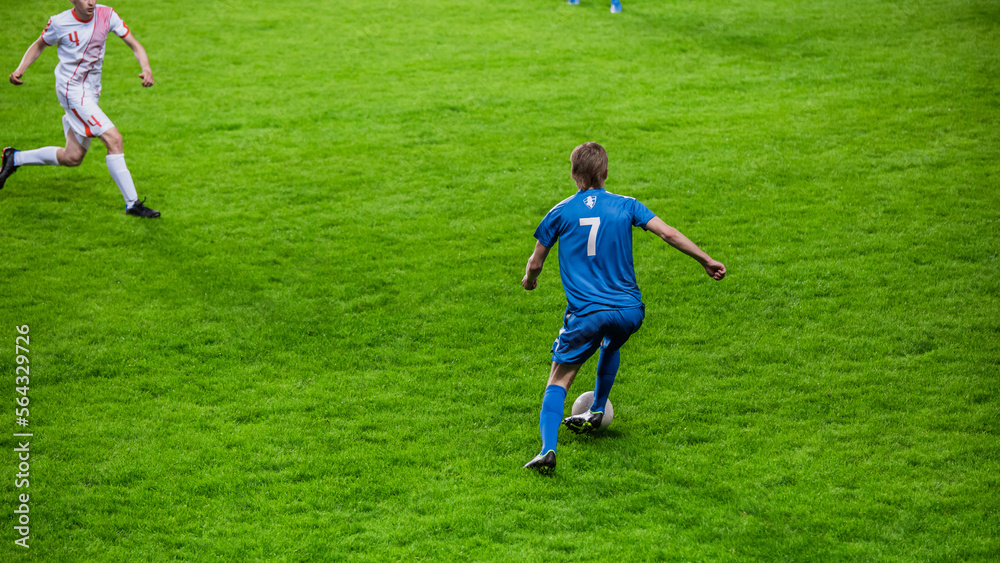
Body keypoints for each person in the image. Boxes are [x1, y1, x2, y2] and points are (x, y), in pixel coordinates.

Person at [521, 142, 726, 473]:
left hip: (587, 314)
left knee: (558, 380)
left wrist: (530, 280)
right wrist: (706, 260)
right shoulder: (628, 205)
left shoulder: (559, 212)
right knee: (612, 339)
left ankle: (547, 450)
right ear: (605, 173)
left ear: (574, 175)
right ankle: (597, 409)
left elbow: (536, 262)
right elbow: (669, 233)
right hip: (629, 311)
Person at [1, 0, 160, 218]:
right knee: (114, 139)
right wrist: (20, 70)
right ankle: (132, 203)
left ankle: (14, 158)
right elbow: (39, 44)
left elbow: (134, 44)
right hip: (72, 92)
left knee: (72, 156)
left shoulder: (106, 15)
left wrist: (147, 68)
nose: (91, 2)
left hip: (91, 92)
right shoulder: (60, 23)